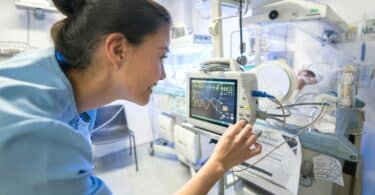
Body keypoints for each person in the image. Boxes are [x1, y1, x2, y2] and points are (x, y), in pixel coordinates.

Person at [0, 0, 261, 194]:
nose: (162, 74)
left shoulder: (44, 72)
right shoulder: (42, 142)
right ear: (118, 50)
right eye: (161, 56)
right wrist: (218, 164)